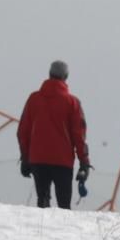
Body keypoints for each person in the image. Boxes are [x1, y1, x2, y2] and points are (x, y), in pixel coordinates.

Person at [17, 60, 92, 209]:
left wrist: (25, 158)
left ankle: (42, 230)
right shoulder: (73, 103)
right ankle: (63, 231)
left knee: (42, 202)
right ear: (66, 76)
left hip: (38, 159)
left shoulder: (34, 99)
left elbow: (22, 131)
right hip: (63, 161)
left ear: (49, 75)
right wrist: (84, 162)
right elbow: (79, 135)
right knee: (64, 205)